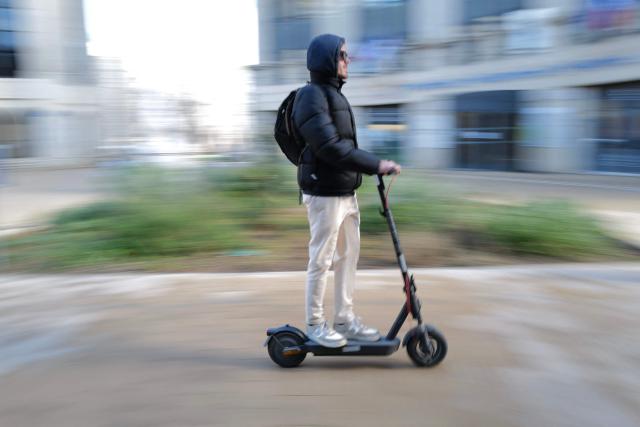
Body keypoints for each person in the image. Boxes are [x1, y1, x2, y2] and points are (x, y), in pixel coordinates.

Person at [292, 34, 401, 348]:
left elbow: (343, 147)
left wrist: (369, 167)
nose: (348, 59)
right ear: (327, 59)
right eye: (342, 54)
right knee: (322, 259)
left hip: (345, 192)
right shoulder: (311, 97)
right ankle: (315, 323)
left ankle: (344, 319)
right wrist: (375, 164)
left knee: (348, 258)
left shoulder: (334, 95)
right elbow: (329, 147)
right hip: (324, 194)